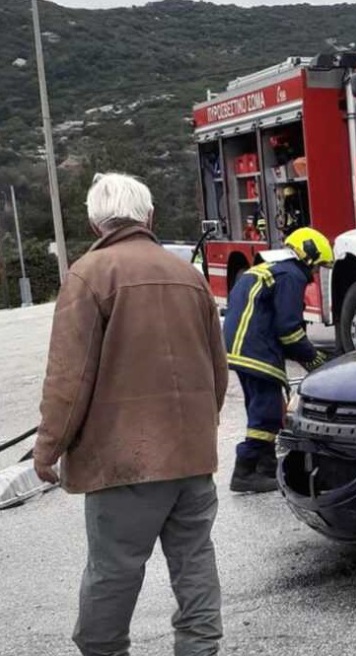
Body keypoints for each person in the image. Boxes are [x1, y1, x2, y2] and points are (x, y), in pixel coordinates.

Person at [33, 172, 229, 656]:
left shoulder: (89, 275)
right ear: (149, 216)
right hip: (190, 458)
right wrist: (199, 430)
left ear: (95, 220)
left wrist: (48, 447)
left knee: (113, 571)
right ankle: (200, 649)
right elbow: (216, 371)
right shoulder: (190, 276)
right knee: (194, 562)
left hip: (124, 464)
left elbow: (68, 381)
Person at [222, 227, 332, 493]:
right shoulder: (291, 275)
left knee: (262, 407)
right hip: (256, 350)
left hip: (242, 348)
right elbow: (290, 330)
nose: (315, 275)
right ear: (308, 256)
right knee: (268, 413)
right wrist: (316, 361)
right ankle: (245, 471)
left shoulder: (271, 268)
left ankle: (266, 468)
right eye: (317, 268)